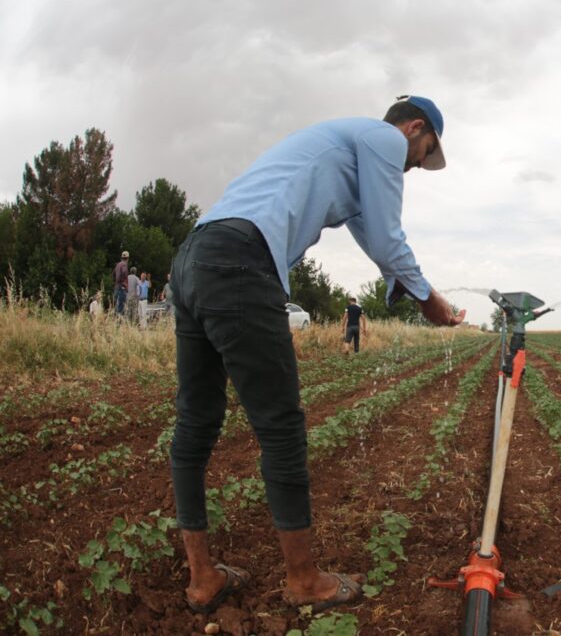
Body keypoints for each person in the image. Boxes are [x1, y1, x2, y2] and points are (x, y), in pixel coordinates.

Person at [169, 95, 464, 614]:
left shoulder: (344, 147)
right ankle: (304, 580)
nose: (415, 164)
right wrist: (429, 300)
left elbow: (375, 239)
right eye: (424, 152)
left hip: (194, 256)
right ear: (414, 128)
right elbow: (392, 239)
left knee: (196, 421)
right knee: (280, 427)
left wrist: (409, 287)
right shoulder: (384, 140)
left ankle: (202, 578)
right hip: (242, 261)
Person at [113, 251, 129, 315]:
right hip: (121, 288)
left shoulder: (117, 265)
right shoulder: (124, 265)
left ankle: (115, 322)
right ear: (127, 258)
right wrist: (124, 283)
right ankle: (119, 324)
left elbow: (113, 274)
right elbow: (124, 272)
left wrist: (116, 281)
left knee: (116, 307)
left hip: (116, 288)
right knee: (121, 308)